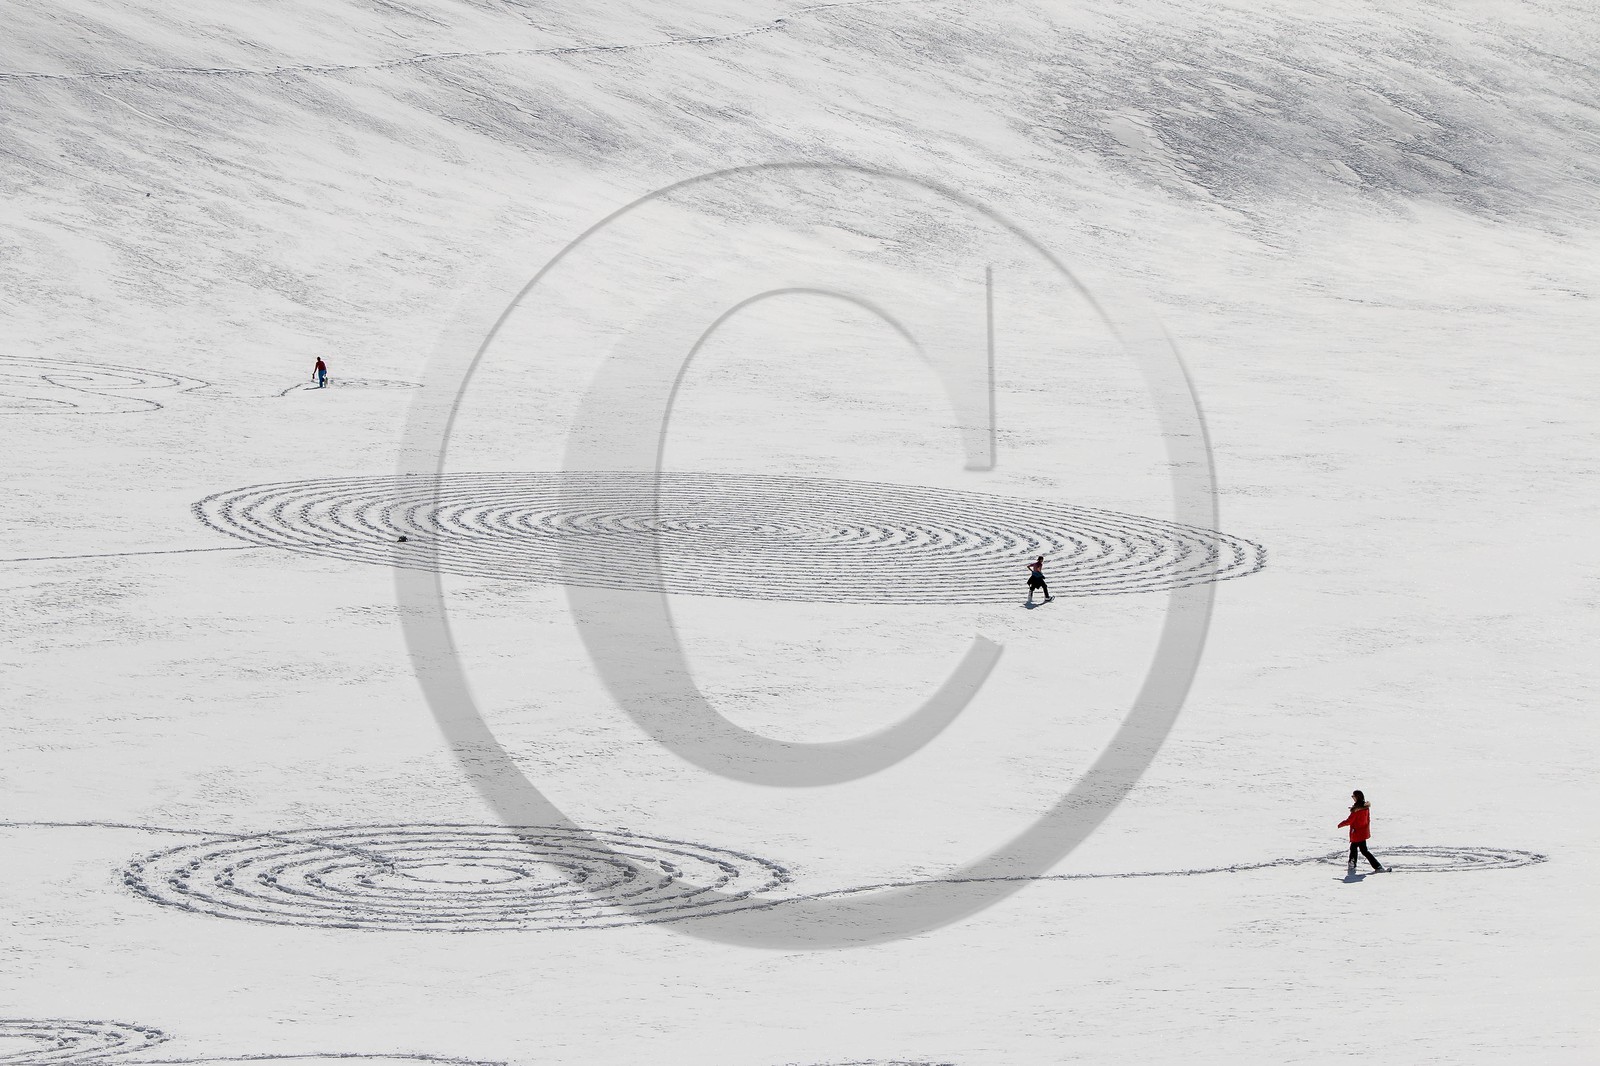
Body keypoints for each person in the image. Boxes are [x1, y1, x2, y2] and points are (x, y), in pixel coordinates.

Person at [1338, 790, 1384, 872]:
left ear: (1357, 797)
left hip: (1357, 833)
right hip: (1362, 832)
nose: (1352, 798)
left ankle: (1377, 866)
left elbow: (1350, 821)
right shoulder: (1365, 808)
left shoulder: (1356, 810)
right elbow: (1366, 819)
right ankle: (1353, 864)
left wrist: (1340, 825)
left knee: (1360, 850)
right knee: (1358, 849)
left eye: (1353, 796)